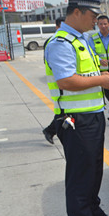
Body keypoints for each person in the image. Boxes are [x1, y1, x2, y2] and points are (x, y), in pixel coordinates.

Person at [44, 0, 109, 216]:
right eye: (92, 16)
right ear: (76, 13)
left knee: (94, 171)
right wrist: (102, 79)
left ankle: (94, 213)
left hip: (92, 117)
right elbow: (66, 80)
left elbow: (86, 73)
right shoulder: (61, 43)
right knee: (80, 176)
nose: (95, 21)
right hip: (76, 121)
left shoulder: (82, 40)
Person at [42, 16, 65, 144]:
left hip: (62, 83)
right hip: (59, 83)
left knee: (62, 112)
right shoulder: (53, 41)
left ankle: (50, 131)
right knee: (62, 112)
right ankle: (50, 131)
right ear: (56, 27)